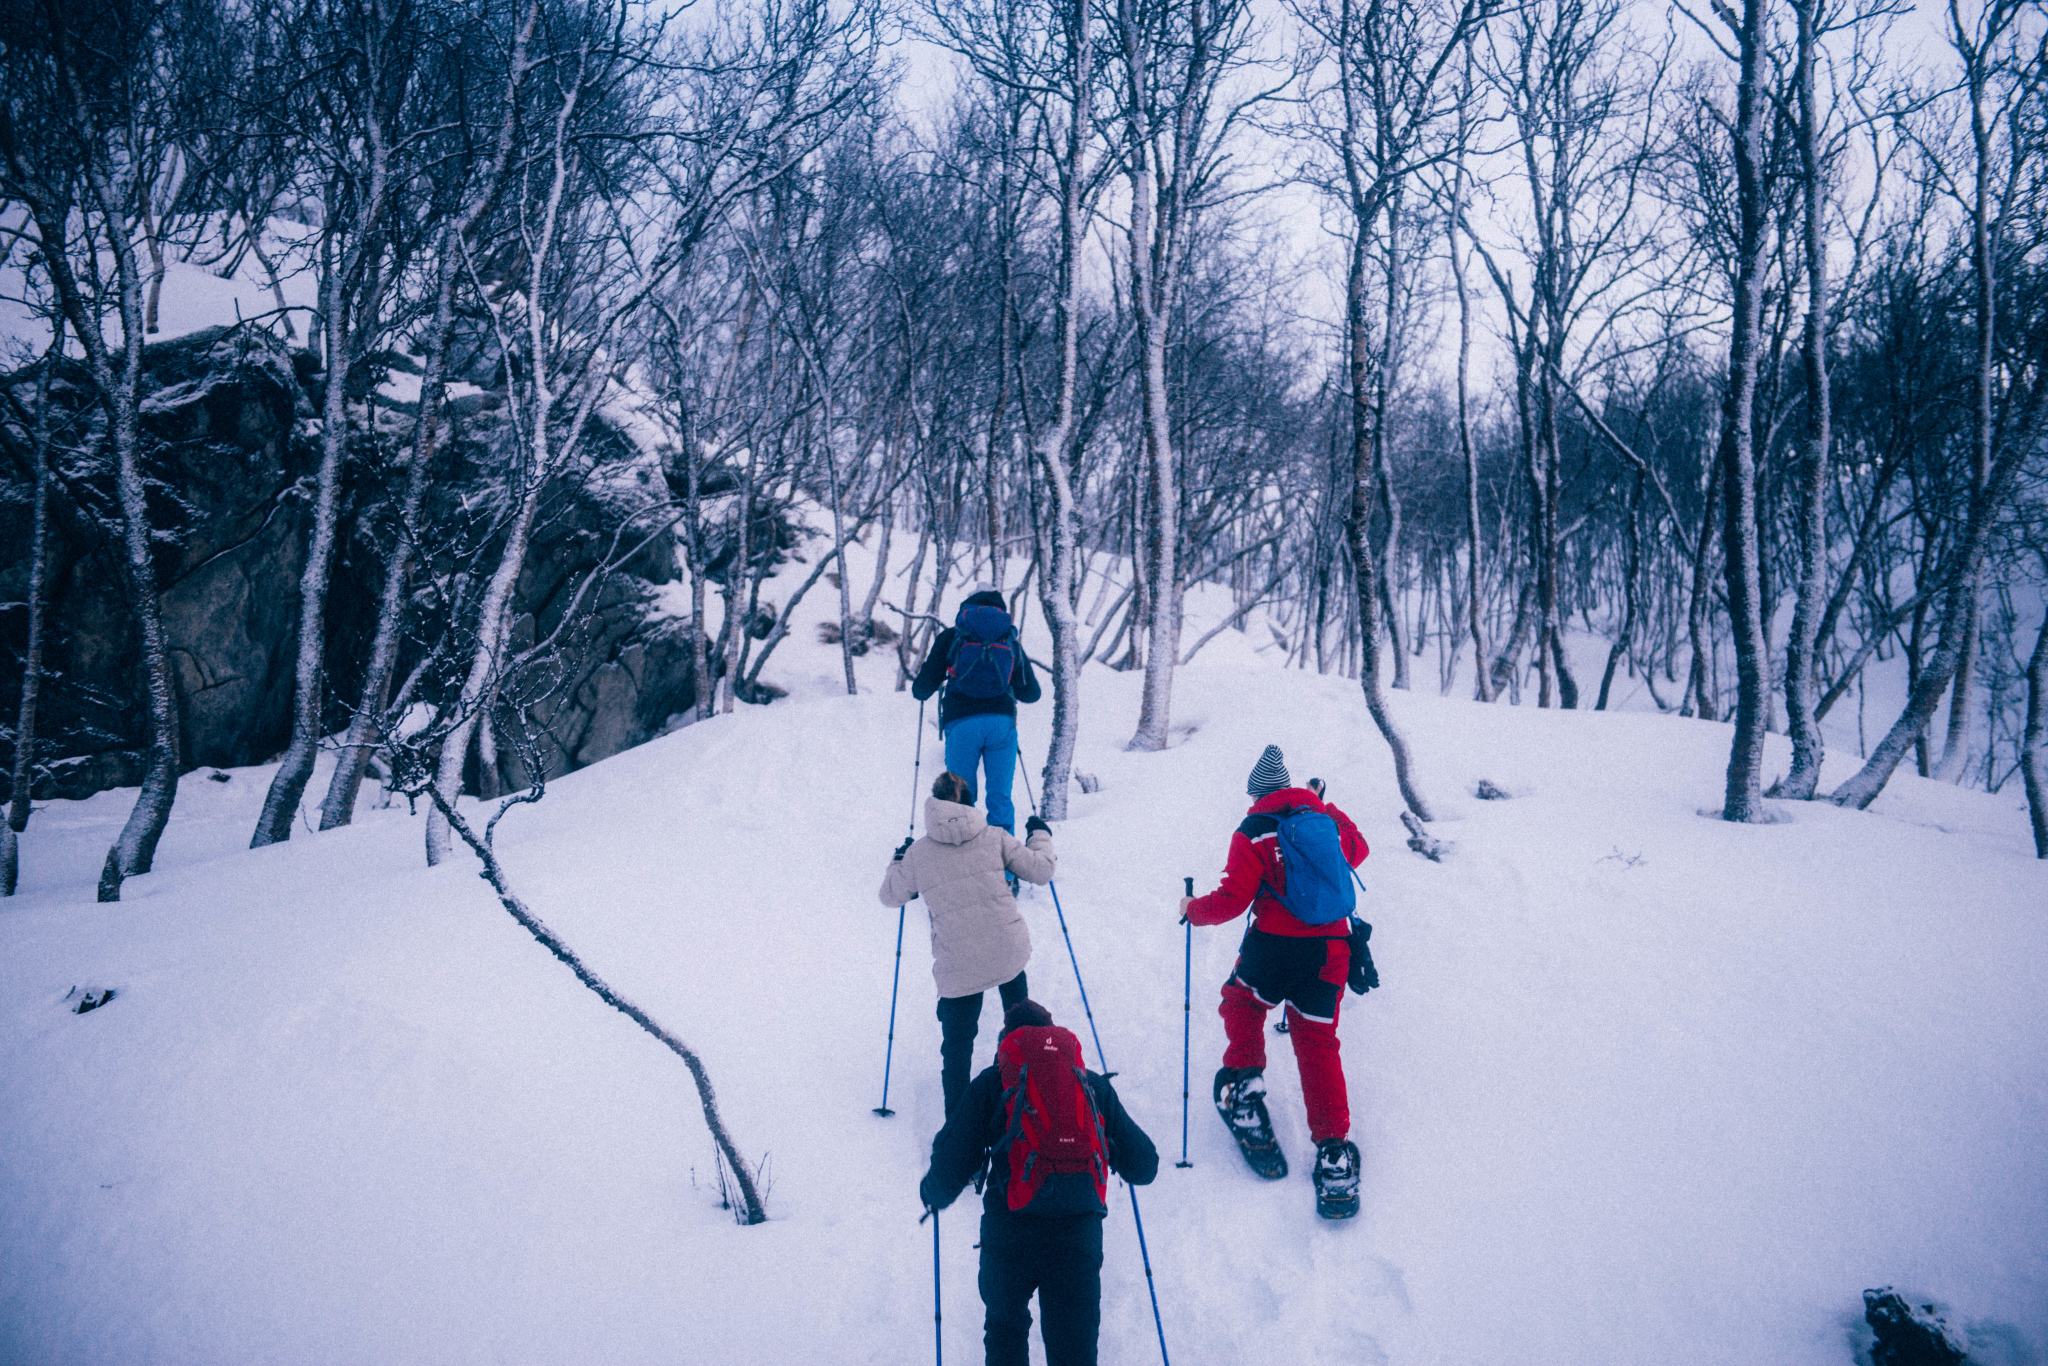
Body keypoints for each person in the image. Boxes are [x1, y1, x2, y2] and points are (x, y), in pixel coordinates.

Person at [1180, 744, 1369, 1209]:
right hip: (1331, 951)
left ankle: (1245, 1087)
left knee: (1240, 1002)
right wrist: (1324, 802)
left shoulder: (1252, 831)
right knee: (1318, 1042)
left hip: (1273, 947)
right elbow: (1358, 850)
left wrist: (1191, 910)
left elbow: (1231, 901)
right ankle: (1333, 1155)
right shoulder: (1323, 823)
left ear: (1256, 795)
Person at [920, 999, 1159, 1366]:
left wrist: (932, 1193)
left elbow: (950, 1165)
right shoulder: (1090, 1084)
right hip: (1077, 1236)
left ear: (1007, 1041)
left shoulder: (992, 1082)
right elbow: (1145, 1166)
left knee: (1005, 1328)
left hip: (1009, 1233)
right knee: (1074, 1350)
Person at [880, 771, 1056, 1116]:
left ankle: (960, 1136)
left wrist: (897, 861)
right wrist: (1040, 835)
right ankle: (1021, 1105)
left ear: (933, 805)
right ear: (971, 802)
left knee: (957, 1049)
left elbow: (890, 896)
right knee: (1020, 1030)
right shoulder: (995, 837)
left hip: (958, 965)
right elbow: (1041, 871)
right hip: (1008, 951)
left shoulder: (918, 854)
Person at [910, 586, 1041, 834]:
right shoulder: (1008, 639)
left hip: (961, 722)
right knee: (1000, 795)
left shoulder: (952, 636)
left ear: (967, 607)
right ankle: (1004, 863)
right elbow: (1032, 694)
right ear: (1001, 610)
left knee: (960, 795)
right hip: (1001, 723)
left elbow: (922, 689)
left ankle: (963, 857)